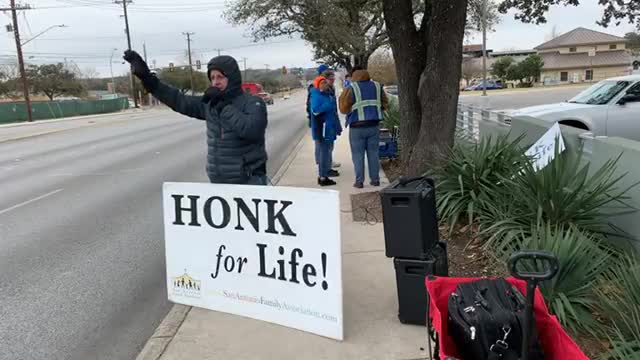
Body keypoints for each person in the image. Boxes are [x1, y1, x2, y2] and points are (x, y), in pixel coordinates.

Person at [123, 50, 268, 185]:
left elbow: (251, 130)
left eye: (220, 77)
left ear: (233, 78)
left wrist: (223, 106)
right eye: (212, 78)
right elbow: (178, 100)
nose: (216, 82)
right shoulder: (210, 104)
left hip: (250, 183)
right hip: (219, 184)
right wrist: (148, 79)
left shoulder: (253, 103)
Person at [339, 66, 388, 188]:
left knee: (357, 155)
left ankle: (359, 181)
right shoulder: (377, 86)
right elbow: (385, 103)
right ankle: (375, 180)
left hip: (357, 127)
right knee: (373, 153)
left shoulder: (351, 88)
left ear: (354, 75)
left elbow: (343, 108)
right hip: (374, 126)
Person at [310, 76, 341, 186]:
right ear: (317, 84)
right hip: (321, 130)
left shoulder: (327, 95)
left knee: (327, 153)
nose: (324, 84)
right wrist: (328, 105)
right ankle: (322, 177)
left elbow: (333, 112)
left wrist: (337, 126)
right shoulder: (316, 95)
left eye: (325, 82)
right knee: (323, 153)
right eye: (321, 82)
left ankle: (325, 174)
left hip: (328, 129)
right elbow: (315, 110)